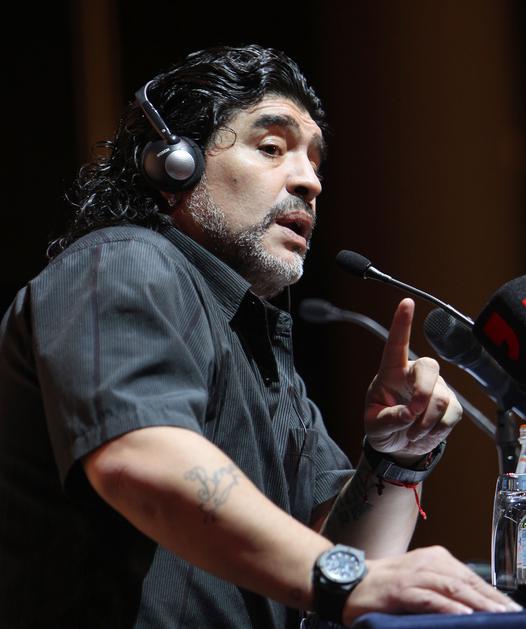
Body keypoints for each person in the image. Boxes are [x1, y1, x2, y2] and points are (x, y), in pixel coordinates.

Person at [0, 44, 521, 629]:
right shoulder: (123, 262)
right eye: (272, 148)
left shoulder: (259, 341)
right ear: (173, 164)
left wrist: (395, 460)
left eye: (315, 162)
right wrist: (345, 577)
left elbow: (335, 566)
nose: (309, 181)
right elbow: (140, 459)